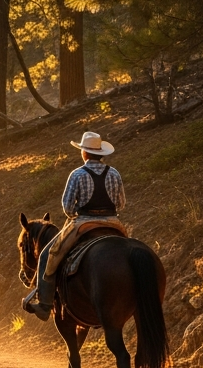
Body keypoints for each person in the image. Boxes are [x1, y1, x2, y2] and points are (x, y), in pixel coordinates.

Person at [24, 131, 128, 321]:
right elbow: (121, 204)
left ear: (84, 153)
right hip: (114, 222)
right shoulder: (114, 173)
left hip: (83, 222)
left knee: (49, 254)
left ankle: (45, 304)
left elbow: (67, 207)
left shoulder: (77, 174)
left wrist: (78, 214)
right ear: (101, 153)